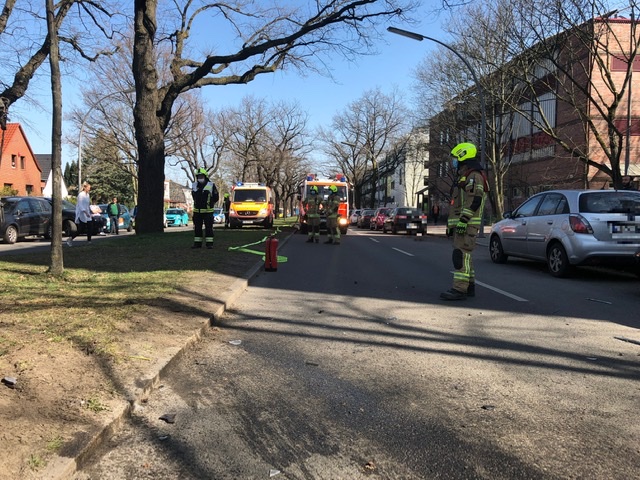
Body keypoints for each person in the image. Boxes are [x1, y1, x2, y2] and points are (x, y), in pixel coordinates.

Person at [440, 143, 488, 301]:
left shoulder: (474, 176)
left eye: (455, 158)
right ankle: (469, 287)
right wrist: (452, 226)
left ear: (462, 156)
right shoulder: (466, 176)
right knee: (465, 257)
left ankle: (459, 289)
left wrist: (463, 221)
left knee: (460, 256)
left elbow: (474, 201)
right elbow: (459, 204)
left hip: (467, 224)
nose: (453, 162)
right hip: (463, 224)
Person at [191, 167, 218, 249]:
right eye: (198, 177)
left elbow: (216, 197)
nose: (200, 178)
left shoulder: (211, 185)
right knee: (197, 228)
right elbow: (193, 196)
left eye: (201, 176)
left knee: (209, 228)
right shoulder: (194, 185)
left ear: (205, 177)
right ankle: (197, 244)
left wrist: (210, 203)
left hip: (208, 212)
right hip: (197, 212)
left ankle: (209, 244)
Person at [68, 181, 93, 246]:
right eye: (88, 188)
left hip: (87, 213)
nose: (89, 189)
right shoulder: (81, 195)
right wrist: (85, 212)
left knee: (90, 226)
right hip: (82, 213)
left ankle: (89, 241)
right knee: (81, 229)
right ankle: (71, 238)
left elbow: (87, 205)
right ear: (85, 188)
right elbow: (81, 205)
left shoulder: (87, 195)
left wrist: (89, 211)